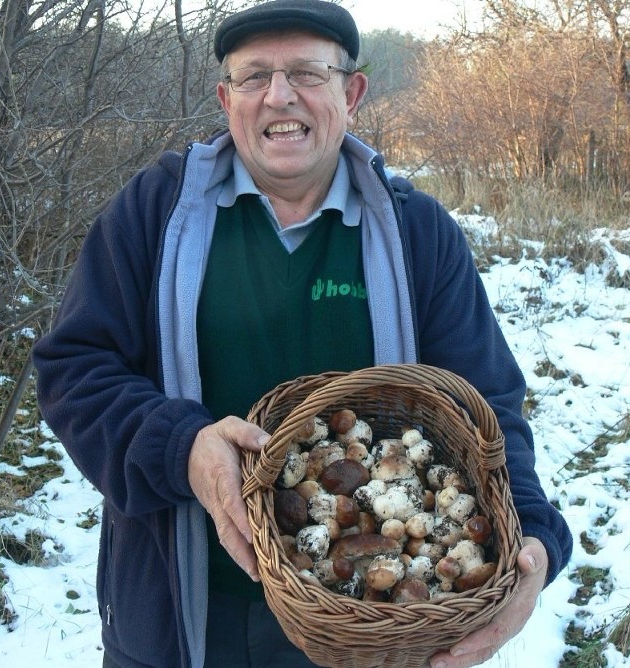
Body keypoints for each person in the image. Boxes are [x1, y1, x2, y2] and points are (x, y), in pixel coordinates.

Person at [32, 1, 573, 667]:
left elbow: (485, 407)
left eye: (307, 74)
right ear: (225, 98)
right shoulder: (153, 213)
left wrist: (533, 544)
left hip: (372, 626)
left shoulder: (416, 232)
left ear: (352, 93)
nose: (279, 96)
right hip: (179, 614)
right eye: (254, 76)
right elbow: (73, 369)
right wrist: (182, 450)